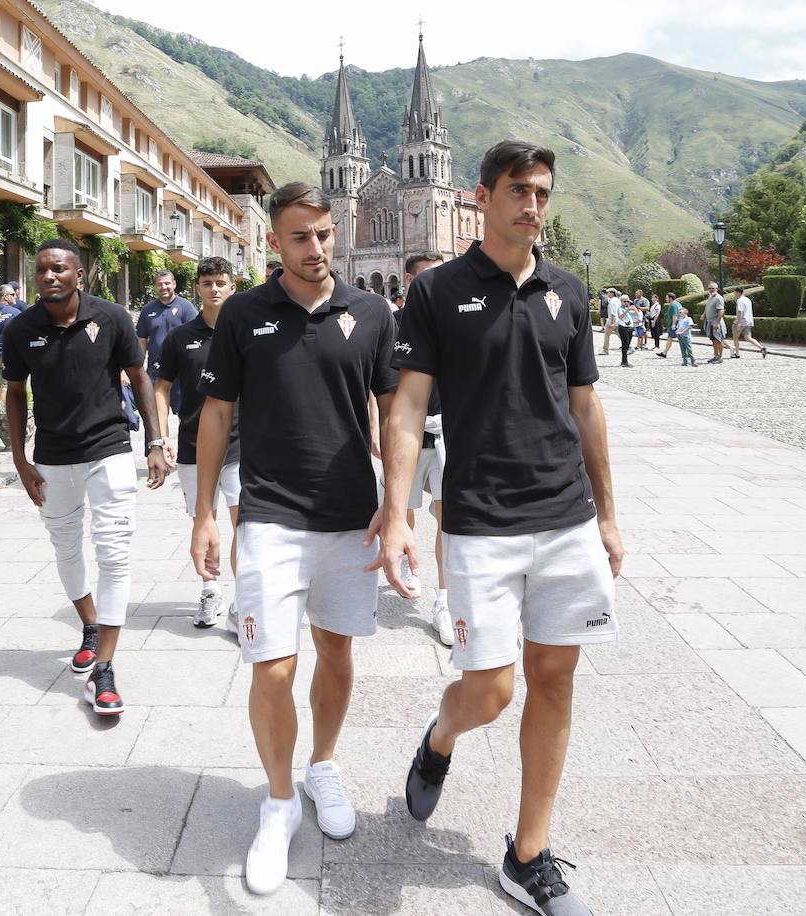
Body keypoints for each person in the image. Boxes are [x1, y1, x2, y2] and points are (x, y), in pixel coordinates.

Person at [379, 140, 621, 916]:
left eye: (543, 191)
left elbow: (585, 405)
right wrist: (397, 512)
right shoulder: (439, 291)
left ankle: (528, 854)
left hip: (565, 516)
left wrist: (609, 514)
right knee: (490, 690)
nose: (533, 205)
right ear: (481, 197)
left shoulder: (568, 292)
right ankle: (441, 736)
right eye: (519, 190)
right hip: (481, 520)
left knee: (555, 678)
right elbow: (409, 405)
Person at [190, 182, 398, 896]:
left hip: (348, 513)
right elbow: (215, 415)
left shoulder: (371, 312)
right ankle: (278, 802)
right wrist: (204, 515)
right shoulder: (245, 313)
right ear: (274, 243)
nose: (316, 250)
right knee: (271, 666)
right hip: (270, 514)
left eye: (324, 235)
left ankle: (323, 765)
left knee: (336, 649)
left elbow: (392, 413)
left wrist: (397, 508)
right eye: (300, 238)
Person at [1, 239, 171, 716]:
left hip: (108, 448)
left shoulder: (112, 317)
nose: (49, 276)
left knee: (114, 549)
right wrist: (19, 459)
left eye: (59, 268)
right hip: (52, 455)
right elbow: (15, 393)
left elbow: (138, 378)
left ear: (80, 274)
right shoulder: (21, 328)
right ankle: (91, 626)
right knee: (66, 546)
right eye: (41, 270)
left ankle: (105, 669)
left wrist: (154, 442)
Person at [154, 256, 243, 630]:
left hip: (242, 445)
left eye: (221, 282)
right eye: (207, 283)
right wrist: (160, 438)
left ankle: (245, 599)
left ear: (232, 286)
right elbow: (160, 388)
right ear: (197, 289)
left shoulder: (245, 332)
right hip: (192, 446)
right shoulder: (180, 337)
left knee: (248, 525)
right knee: (202, 521)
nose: (214, 289)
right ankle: (210, 590)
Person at [398, 251, 452, 644]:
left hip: (450, 432)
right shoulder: (393, 322)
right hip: (408, 434)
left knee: (448, 517)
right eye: (427, 279)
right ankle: (407, 560)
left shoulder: (459, 320)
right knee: (404, 509)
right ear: (410, 282)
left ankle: (447, 599)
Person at [137, 269, 198, 415]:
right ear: (155, 287)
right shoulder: (147, 310)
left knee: (186, 416)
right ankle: (159, 439)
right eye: (159, 284)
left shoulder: (186, 307)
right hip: (155, 372)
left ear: (174, 284)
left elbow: (196, 337)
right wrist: (137, 367)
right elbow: (141, 341)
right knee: (155, 416)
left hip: (181, 372)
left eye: (167, 283)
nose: (163, 287)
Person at [730, 288, 767, 359]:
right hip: (748, 321)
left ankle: (737, 353)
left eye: (734, 293)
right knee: (748, 338)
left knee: (735, 337)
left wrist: (738, 322)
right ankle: (762, 348)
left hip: (741, 321)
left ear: (738, 293)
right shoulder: (747, 299)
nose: (734, 294)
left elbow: (741, 312)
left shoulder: (740, 301)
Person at [703, 282, 728, 364]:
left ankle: (720, 357)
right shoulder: (710, 297)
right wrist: (704, 315)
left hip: (716, 321)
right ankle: (716, 355)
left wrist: (717, 323)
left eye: (713, 288)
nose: (711, 290)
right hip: (710, 321)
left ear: (717, 289)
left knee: (719, 339)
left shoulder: (718, 298)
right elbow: (707, 306)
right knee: (713, 340)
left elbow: (721, 311)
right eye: (709, 288)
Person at [657, 292, 680, 359]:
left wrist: (673, 324)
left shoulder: (673, 305)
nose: (666, 299)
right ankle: (664, 352)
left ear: (670, 298)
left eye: (667, 298)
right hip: (677, 324)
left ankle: (665, 353)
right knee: (670, 338)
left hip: (674, 324)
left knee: (673, 338)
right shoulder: (677, 303)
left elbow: (674, 315)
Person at [615, 291, 635, 367]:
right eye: (625, 301)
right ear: (621, 302)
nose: (626, 303)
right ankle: (624, 361)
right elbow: (620, 316)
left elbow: (637, 314)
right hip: (623, 328)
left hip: (630, 327)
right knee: (625, 344)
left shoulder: (629, 308)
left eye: (628, 301)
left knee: (628, 344)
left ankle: (625, 360)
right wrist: (627, 310)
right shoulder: (620, 308)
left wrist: (633, 308)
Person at [598, 288, 618, 355]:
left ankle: (605, 350)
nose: (607, 294)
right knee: (620, 335)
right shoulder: (618, 300)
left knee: (606, 335)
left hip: (611, 321)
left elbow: (612, 313)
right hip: (617, 321)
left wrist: (612, 321)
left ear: (612, 293)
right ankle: (628, 346)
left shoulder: (612, 302)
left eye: (608, 293)